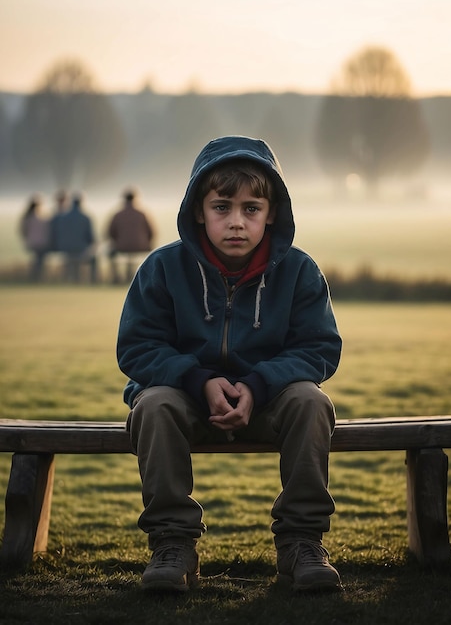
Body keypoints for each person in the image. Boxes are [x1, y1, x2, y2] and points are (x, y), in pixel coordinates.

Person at [117, 136, 343, 594]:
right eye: (222, 207)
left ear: (272, 212)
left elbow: (319, 348)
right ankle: (173, 545)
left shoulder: (299, 271)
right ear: (199, 210)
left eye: (251, 209)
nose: (236, 222)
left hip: (269, 402)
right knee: (153, 404)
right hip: (187, 401)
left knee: (310, 401)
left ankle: (301, 542)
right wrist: (198, 380)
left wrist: (260, 384)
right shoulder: (162, 269)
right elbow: (137, 348)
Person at [107, 188, 156, 283]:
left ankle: (116, 278)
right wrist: (147, 241)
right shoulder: (142, 214)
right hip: (141, 246)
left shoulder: (118, 215)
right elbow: (152, 232)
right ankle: (148, 278)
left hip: (122, 246)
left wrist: (118, 240)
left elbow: (111, 232)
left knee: (110, 254)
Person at [55, 193, 98, 283]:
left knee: (71, 259)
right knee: (94, 259)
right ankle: (93, 281)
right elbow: (90, 237)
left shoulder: (63, 218)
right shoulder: (86, 218)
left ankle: (68, 280)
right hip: (81, 249)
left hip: (65, 249)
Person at [19, 195, 50, 281]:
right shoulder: (40, 218)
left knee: (37, 260)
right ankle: (37, 277)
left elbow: (23, 231)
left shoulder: (26, 218)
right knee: (39, 261)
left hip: (32, 243)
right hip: (41, 243)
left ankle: (35, 277)